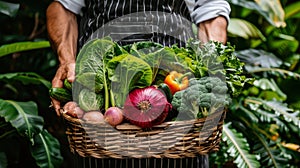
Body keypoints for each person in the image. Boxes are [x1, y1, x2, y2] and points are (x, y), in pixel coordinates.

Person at [46, 0, 230, 167]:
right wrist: (67, 61)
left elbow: (210, 10)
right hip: (102, 116)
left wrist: (210, 64)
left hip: (175, 99)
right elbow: (63, 7)